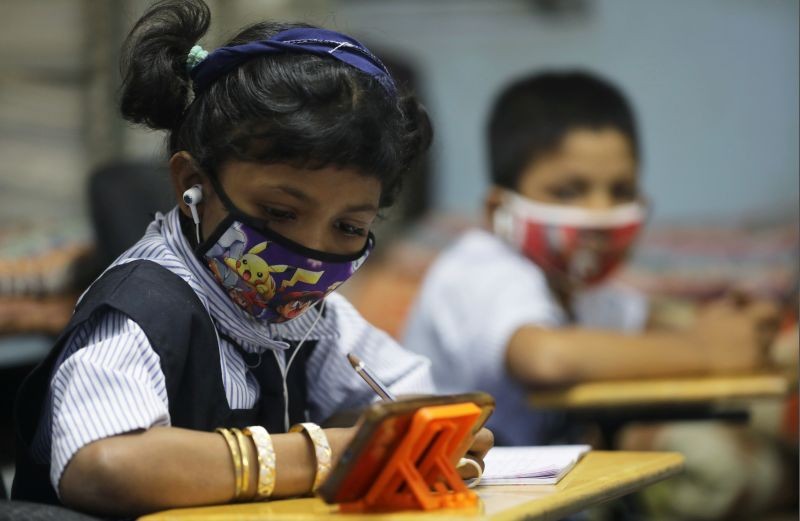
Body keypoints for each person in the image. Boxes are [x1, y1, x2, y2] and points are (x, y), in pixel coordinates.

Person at [11, 0, 491, 516]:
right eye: (279, 213)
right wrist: (330, 453)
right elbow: (104, 466)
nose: (311, 253)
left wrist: (435, 438)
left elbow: (415, 400)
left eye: (350, 227)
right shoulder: (142, 311)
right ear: (192, 183)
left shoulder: (311, 319)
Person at [402, 71, 779, 446]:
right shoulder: (484, 267)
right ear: (499, 210)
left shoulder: (579, 286)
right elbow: (546, 358)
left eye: (621, 190)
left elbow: (651, 323)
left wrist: (742, 327)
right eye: (568, 192)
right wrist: (706, 351)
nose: (601, 213)